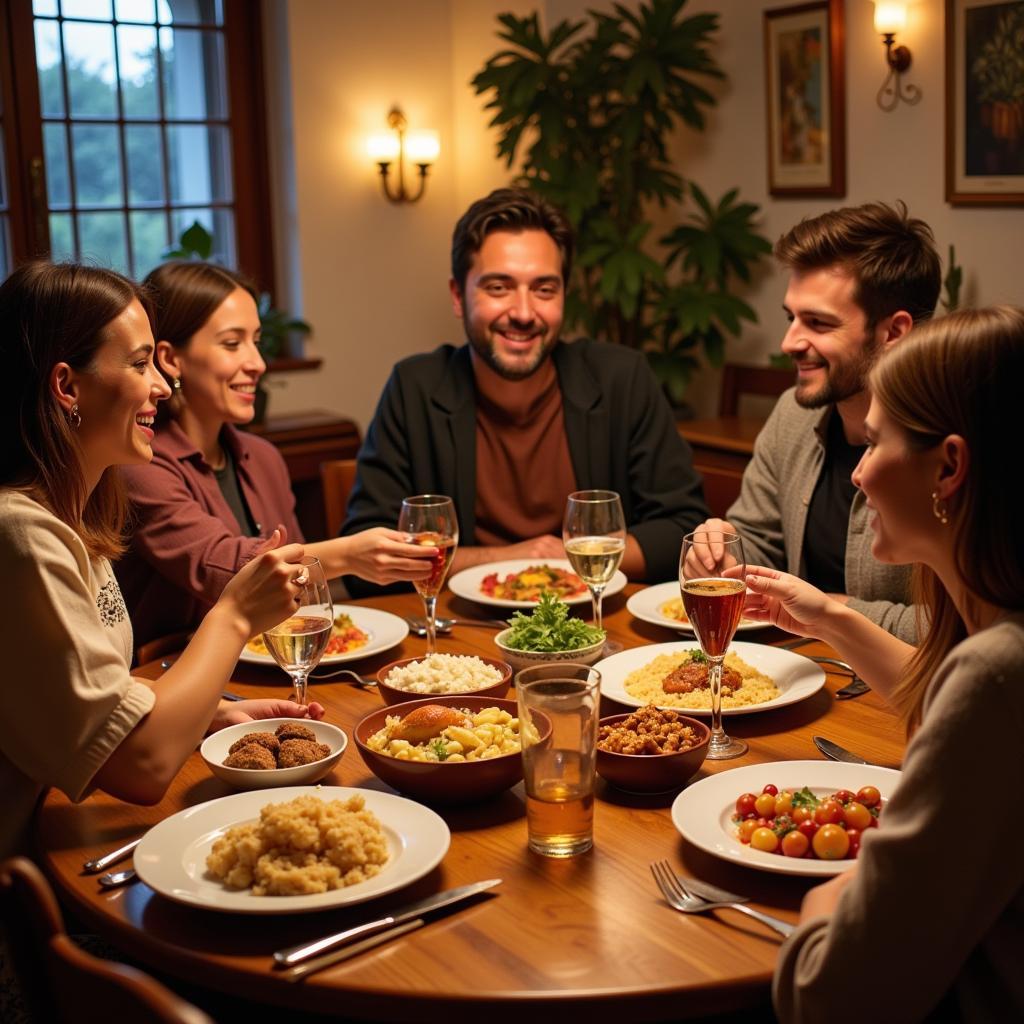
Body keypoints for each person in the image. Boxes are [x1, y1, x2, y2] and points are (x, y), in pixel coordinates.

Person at [740, 307, 1024, 1021]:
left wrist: (829, 894)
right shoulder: (992, 627)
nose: (859, 474)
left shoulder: (998, 673)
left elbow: (827, 997)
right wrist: (833, 618)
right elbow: (946, 714)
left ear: (950, 465)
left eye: (876, 442)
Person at [0, 261, 323, 862]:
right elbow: (141, 770)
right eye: (139, 363)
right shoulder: (20, 535)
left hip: (63, 836)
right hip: (33, 879)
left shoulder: (74, 520)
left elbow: (92, 690)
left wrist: (203, 712)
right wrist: (233, 616)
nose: (163, 387)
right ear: (67, 385)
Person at [341, 187, 709, 593]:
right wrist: (518, 558)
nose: (522, 312)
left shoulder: (621, 378)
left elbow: (682, 529)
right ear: (457, 296)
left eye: (544, 289)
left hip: (600, 626)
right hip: (457, 636)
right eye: (498, 287)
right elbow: (366, 555)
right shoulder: (415, 389)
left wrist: (570, 557)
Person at [116, 262, 436, 650]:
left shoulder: (262, 456)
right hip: (172, 675)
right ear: (170, 359)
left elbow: (300, 598)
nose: (258, 363)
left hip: (274, 665)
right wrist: (350, 553)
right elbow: (222, 566)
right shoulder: (140, 466)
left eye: (256, 340)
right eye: (233, 343)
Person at [690, 202, 941, 641]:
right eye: (791, 318)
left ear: (894, 332)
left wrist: (832, 613)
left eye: (818, 323)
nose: (789, 342)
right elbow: (760, 547)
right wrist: (724, 551)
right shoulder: (792, 412)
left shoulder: (948, 445)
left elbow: (966, 629)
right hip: (806, 675)